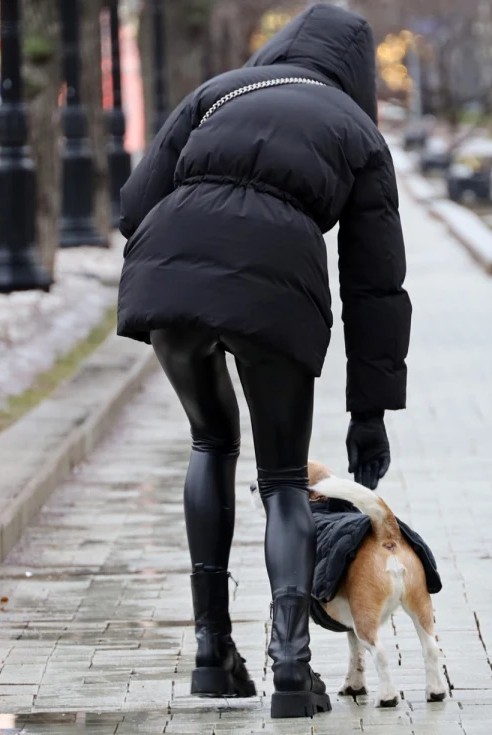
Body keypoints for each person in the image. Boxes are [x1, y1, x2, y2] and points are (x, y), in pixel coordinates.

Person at [116, 3, 410, 720]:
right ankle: (291, 666)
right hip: (279, 278)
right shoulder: (358, 132)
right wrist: (367, 412)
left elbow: (133, 205)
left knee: (210, 439)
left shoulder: (217, 93)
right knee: (282, 478)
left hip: (168, 267)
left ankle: (212, 653)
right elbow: (374, 285)